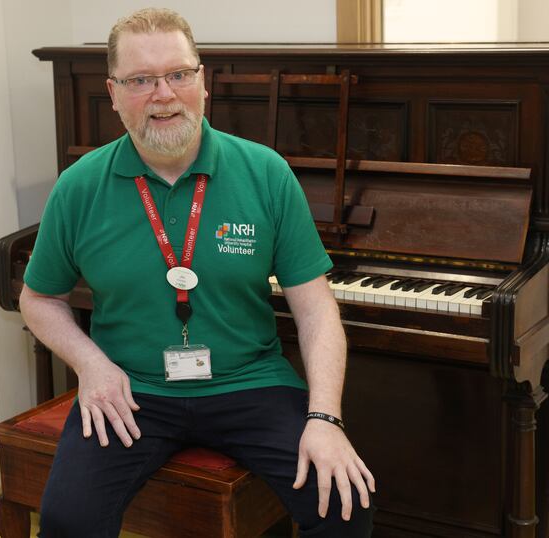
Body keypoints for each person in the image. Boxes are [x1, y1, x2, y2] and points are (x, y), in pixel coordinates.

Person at [20, 7, 375, 537]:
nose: (163, 93)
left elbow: (315, 305)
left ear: (203, 82)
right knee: (67, 521)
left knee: (345, 507)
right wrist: (91, 366)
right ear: (113, 93)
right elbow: (38, 298)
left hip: (251, 383)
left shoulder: (266, 172)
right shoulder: (79, 185)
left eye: (179, 74)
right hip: (130, 391)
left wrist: (325, 419)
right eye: (141, 80)